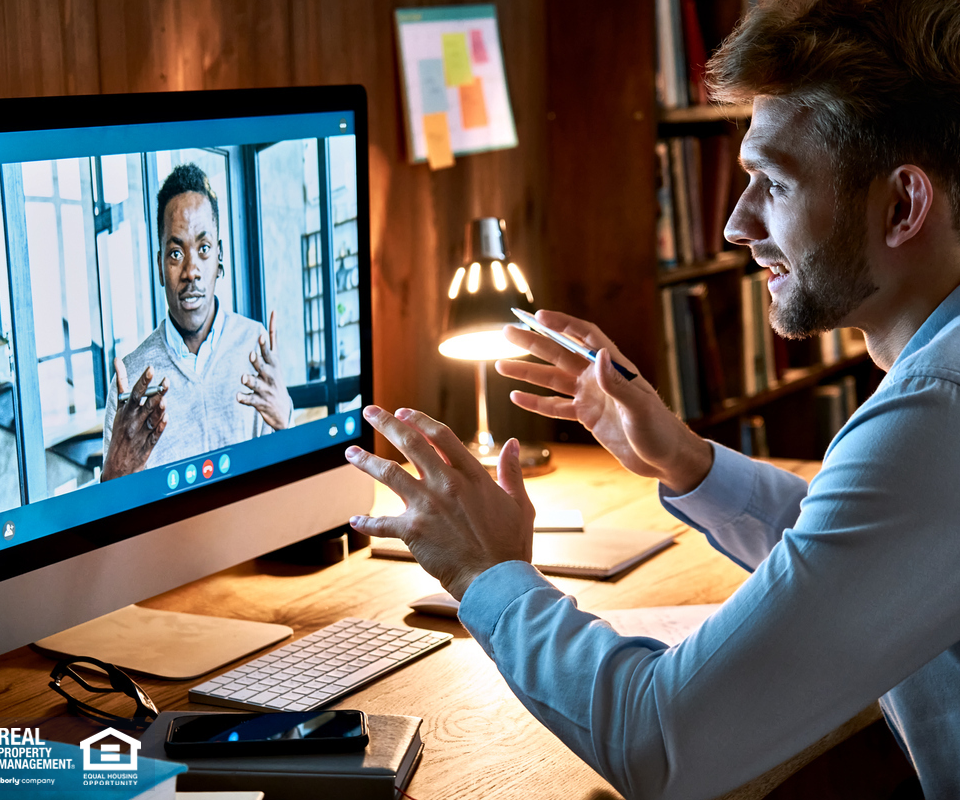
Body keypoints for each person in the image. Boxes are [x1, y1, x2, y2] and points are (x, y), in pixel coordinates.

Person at [343, 1, 960, 797]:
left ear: (903, 206)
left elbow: (662, 745)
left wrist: (486, 573)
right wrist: (688, 461)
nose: (736, 224)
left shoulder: (935, 413)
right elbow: (860, 562)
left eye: (771, 183)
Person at [101, 163, 293, 481]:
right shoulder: (132, 381)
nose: (191, 270)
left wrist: (285, 420)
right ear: (160, 266)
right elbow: (110, 515)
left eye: (203, 249)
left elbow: (287, 478)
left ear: (219, 258)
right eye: (176, 253)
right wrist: (114, 474)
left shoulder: (254, 345)